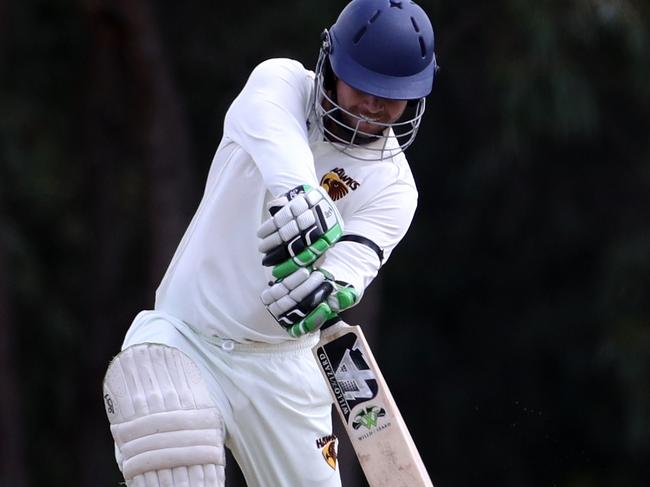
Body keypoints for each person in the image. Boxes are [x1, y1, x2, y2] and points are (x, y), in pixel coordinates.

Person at [102, 0, 439, 485]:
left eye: (392, 95)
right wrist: (302, 194)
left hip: (285, 368)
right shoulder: (279, 84)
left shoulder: (395, 188)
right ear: (331, 64)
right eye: (363, 84)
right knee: (165, 419)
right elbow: (278, 140)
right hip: (187, 337)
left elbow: (355, 262)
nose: (374, 104)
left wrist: (331, 286)